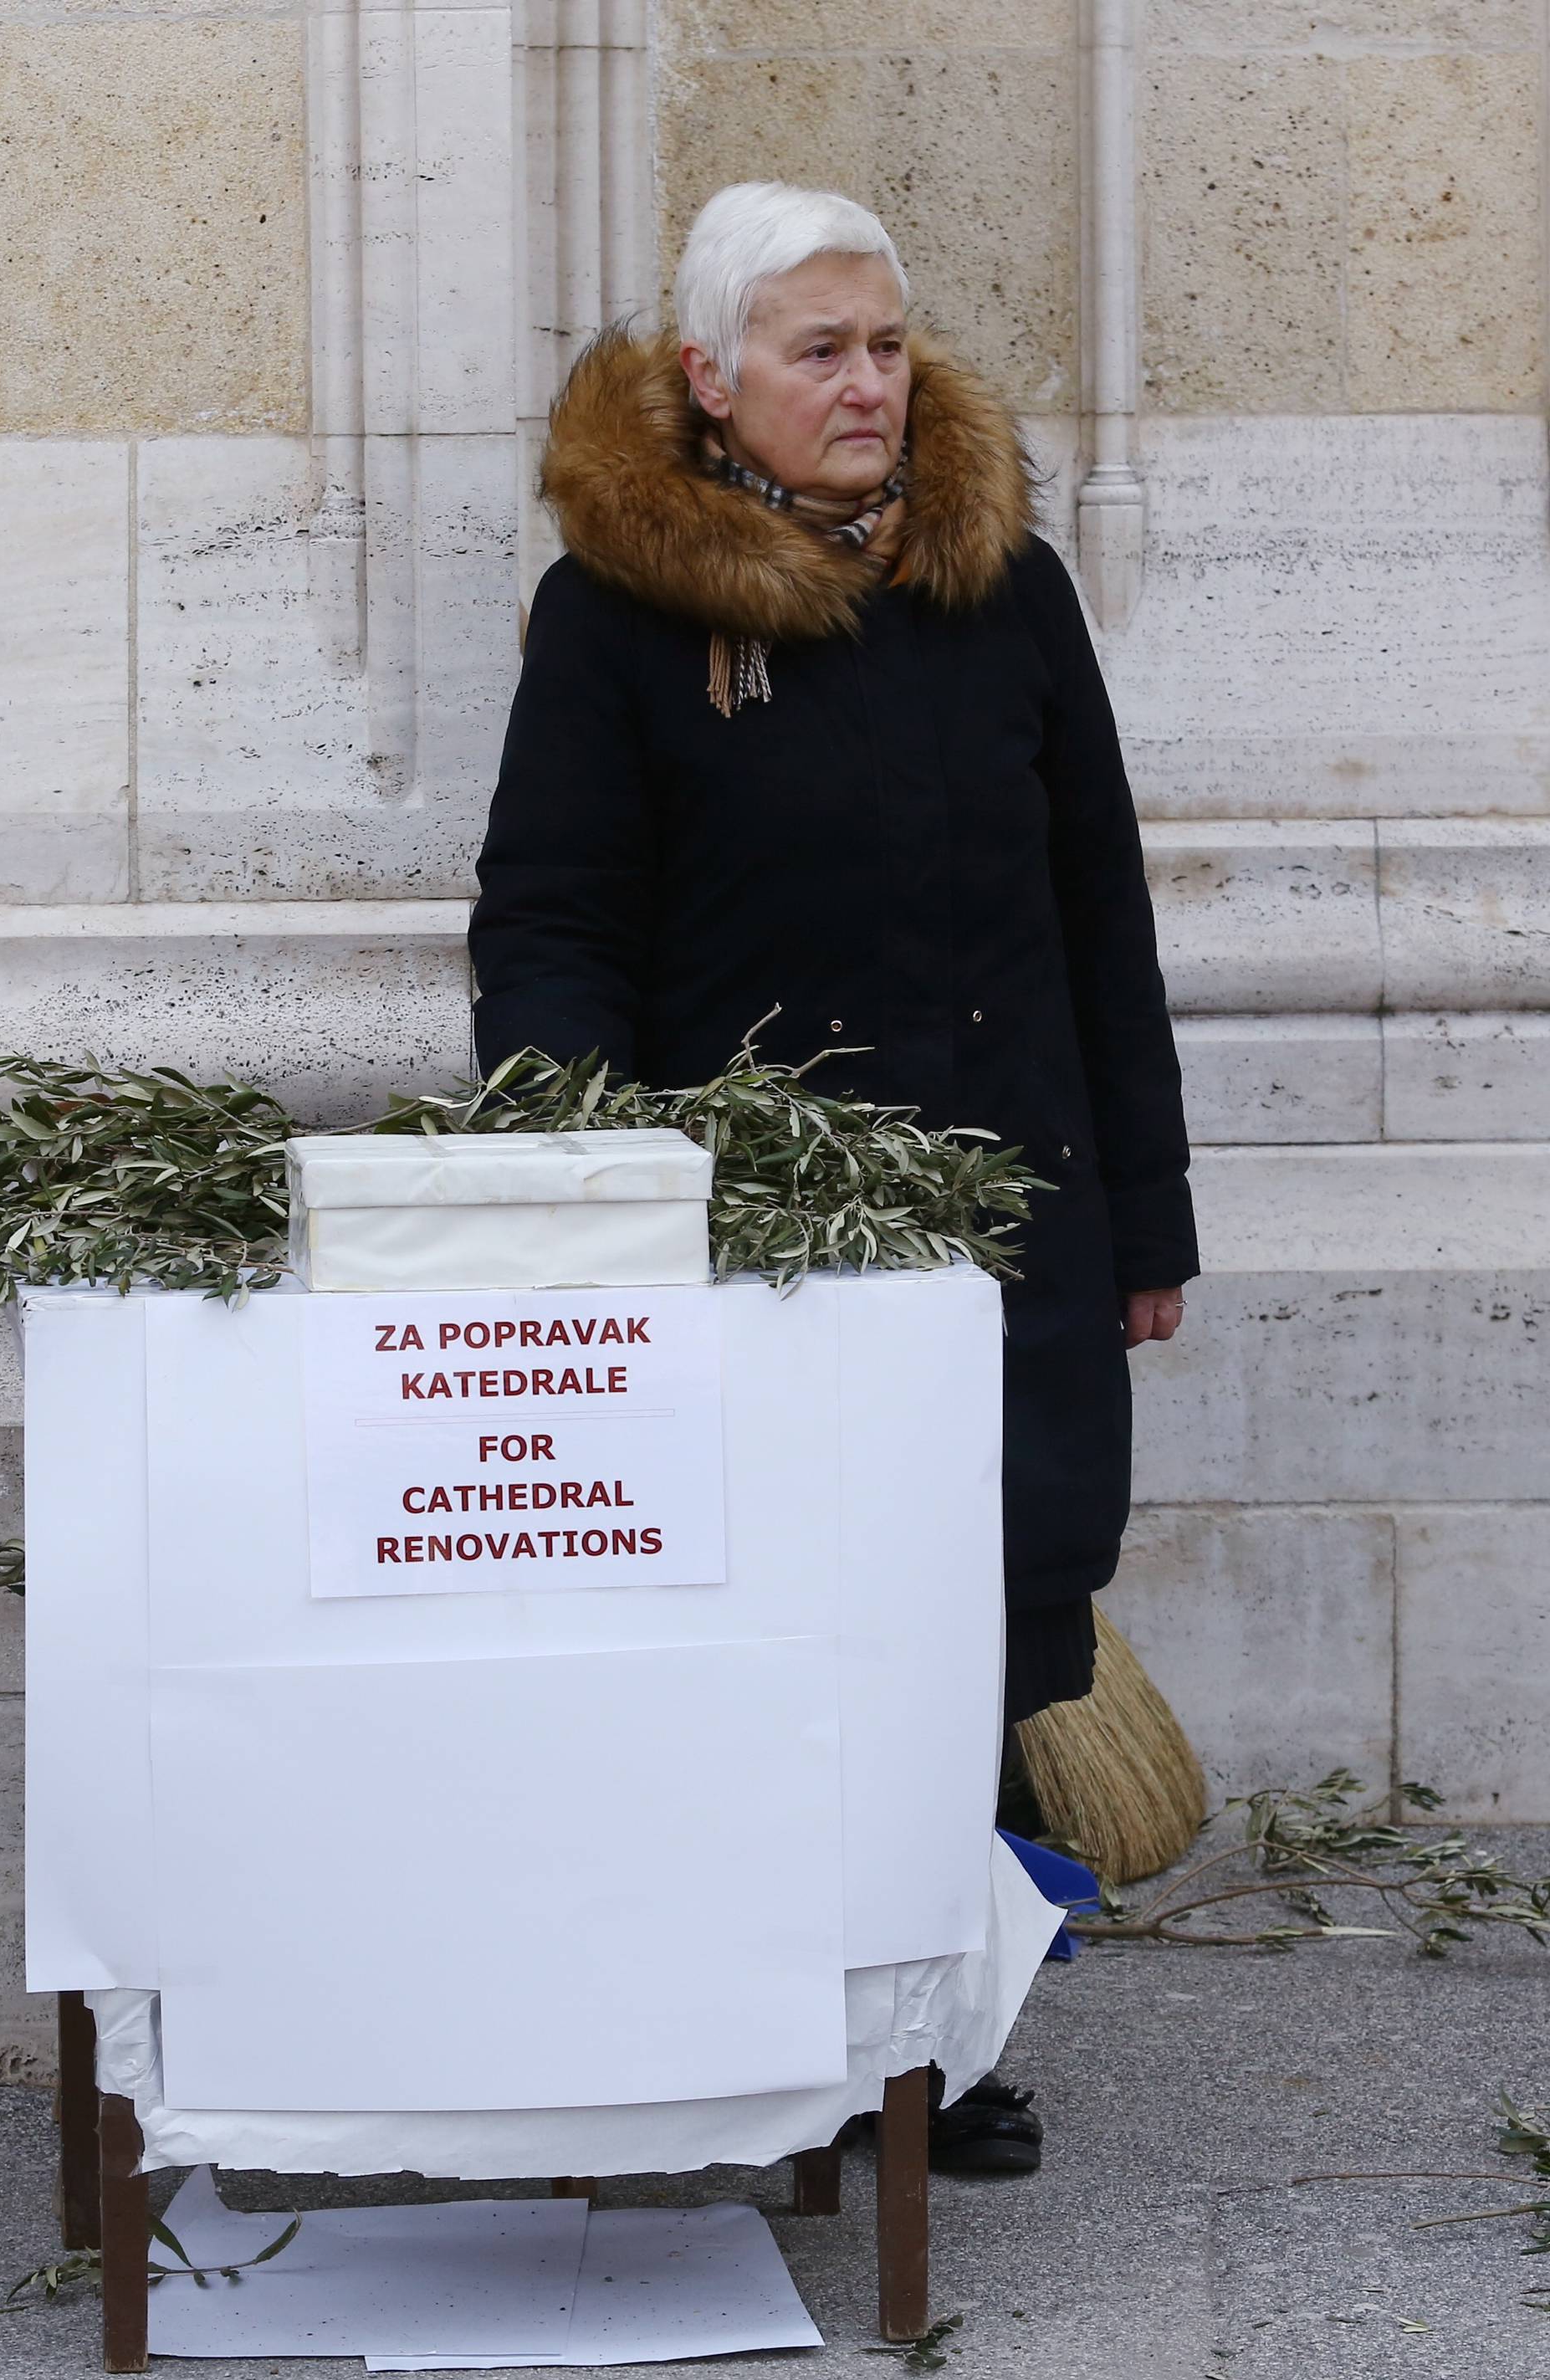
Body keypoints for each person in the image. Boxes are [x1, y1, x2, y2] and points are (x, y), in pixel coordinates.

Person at [469, 181, 1198, 2173]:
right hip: (764, 1247)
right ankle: (769, 2033)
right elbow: (550, 923)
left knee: (983, 1626)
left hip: (1011, 1222)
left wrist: (1147, 1218)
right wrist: (585, 1185)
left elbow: (1098, 914)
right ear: (711, 386)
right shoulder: (623, 616)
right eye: (818, 349)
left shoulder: (1007, 586)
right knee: (793, 1634)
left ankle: (932, 2050)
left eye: (885, 343)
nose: (868, 382)